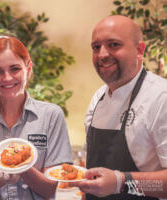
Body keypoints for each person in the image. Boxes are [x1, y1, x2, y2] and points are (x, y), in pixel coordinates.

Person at [0, 37, 73, 199]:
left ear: (28, 68)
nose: (7, 78)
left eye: (15, 69)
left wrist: (20, 166)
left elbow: (53, 188)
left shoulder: (51, 116)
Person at [69, 15, 167, 200]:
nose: (103, 54)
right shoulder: (98, 98)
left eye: (114, 44)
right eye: (96, 47)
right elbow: (91, 168)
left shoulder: (161, 98)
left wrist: (122, 182)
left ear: (139, 50)